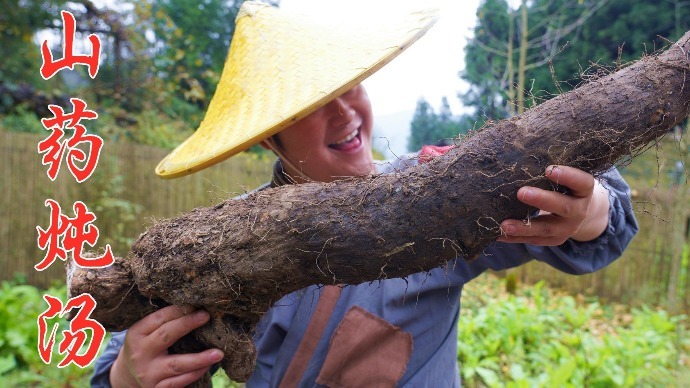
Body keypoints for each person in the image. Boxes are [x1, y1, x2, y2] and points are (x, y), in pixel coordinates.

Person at [91, 3, 638, 387]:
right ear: (268, 136)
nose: (346, 112)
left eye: (349, 85)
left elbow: (596, 225)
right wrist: (126, 375)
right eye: (310, 106)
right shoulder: (229, 235)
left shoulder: (432, 190)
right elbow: (133, 356)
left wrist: (591, 210)